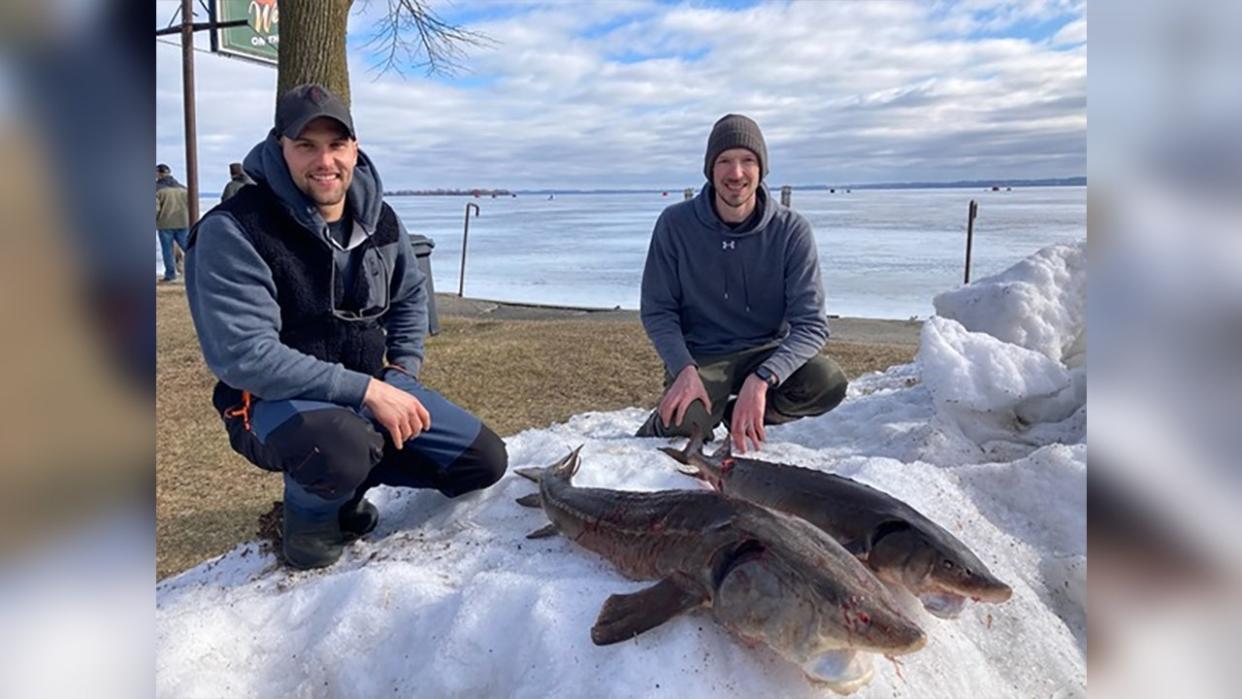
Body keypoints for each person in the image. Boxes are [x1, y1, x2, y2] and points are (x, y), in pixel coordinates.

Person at [185, 84, 508, 570]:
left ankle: (347, 488)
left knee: (482, 461)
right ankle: (308, 520)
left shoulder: (380, 219)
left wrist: (402, 369)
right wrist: (367, 393)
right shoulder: (234, 230)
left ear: (355, 148)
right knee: (341, 444)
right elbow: (245, 355)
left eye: (337, 145)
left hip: (367, 388)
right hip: (266, 400)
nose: (325, 161)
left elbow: (409, 296)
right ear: (280, 149)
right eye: (306, 146)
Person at [636, 114, 848, 453]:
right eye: (725, 161)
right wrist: (683, 369)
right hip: (701, 355)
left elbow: (811, 324)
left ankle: (739, 412)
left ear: (762, 169)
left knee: (828, 382)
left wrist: (763, 378)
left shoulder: (791, 230)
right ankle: (660, 422)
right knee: (686, 423)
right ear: (710, 169)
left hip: (766, 349)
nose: (736, 174)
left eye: (747, 160)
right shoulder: (675, 224)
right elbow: (658, 311)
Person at [156, 163, 190, 282]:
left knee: (167, 250)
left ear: (158, 174)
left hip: (165, 224)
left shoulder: (157, 189)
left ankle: (170, 275)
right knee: (190, 248)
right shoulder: (182, 188)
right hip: (183, 222)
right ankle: (200, 269)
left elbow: (155, 209)